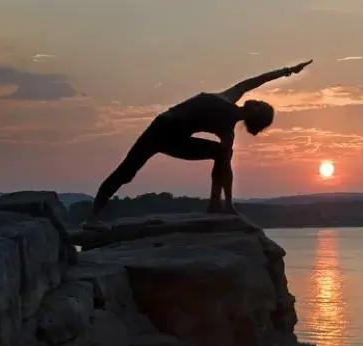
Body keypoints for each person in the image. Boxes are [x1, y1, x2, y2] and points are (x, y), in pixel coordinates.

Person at [85, 59, 313, 227]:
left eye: (262, 106)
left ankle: (218, 205)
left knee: (222, 154)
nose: (260, 101)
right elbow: (258, 80)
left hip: (175, 139)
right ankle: (93, 218)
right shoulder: (230, 97)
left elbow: (226, 168)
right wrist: (287, 71)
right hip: (162, 128)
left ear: (255, 114)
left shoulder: (227, 128)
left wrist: (230, 203)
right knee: (126, 172)